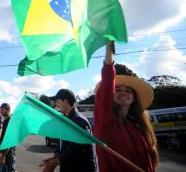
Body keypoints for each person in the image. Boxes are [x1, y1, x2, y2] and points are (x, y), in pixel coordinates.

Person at [93, 41, 159, 172]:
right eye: (117, 89)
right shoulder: (105, 122)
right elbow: (106, 86)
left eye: (128, 91)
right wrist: (108, 54)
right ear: (111, 94)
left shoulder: (138, 125)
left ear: (134, 98)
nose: (123, 93)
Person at [40, 89, 97, 172]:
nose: (56, 105)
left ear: (65, 101)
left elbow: (76, 149)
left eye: (58, 102)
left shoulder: (79, 121)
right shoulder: (65, 120)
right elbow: (60, 146)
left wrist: (54, 162)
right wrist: (54, 158)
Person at [0, 103, 16, 172]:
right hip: (4, 150)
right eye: (0, 109)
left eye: (2, 109)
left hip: (9, 151)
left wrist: (3, 155)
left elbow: (9, 140)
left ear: (8, 110)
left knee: (10, 169)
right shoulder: (5, 121)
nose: (0, 111)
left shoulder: (11, 121)